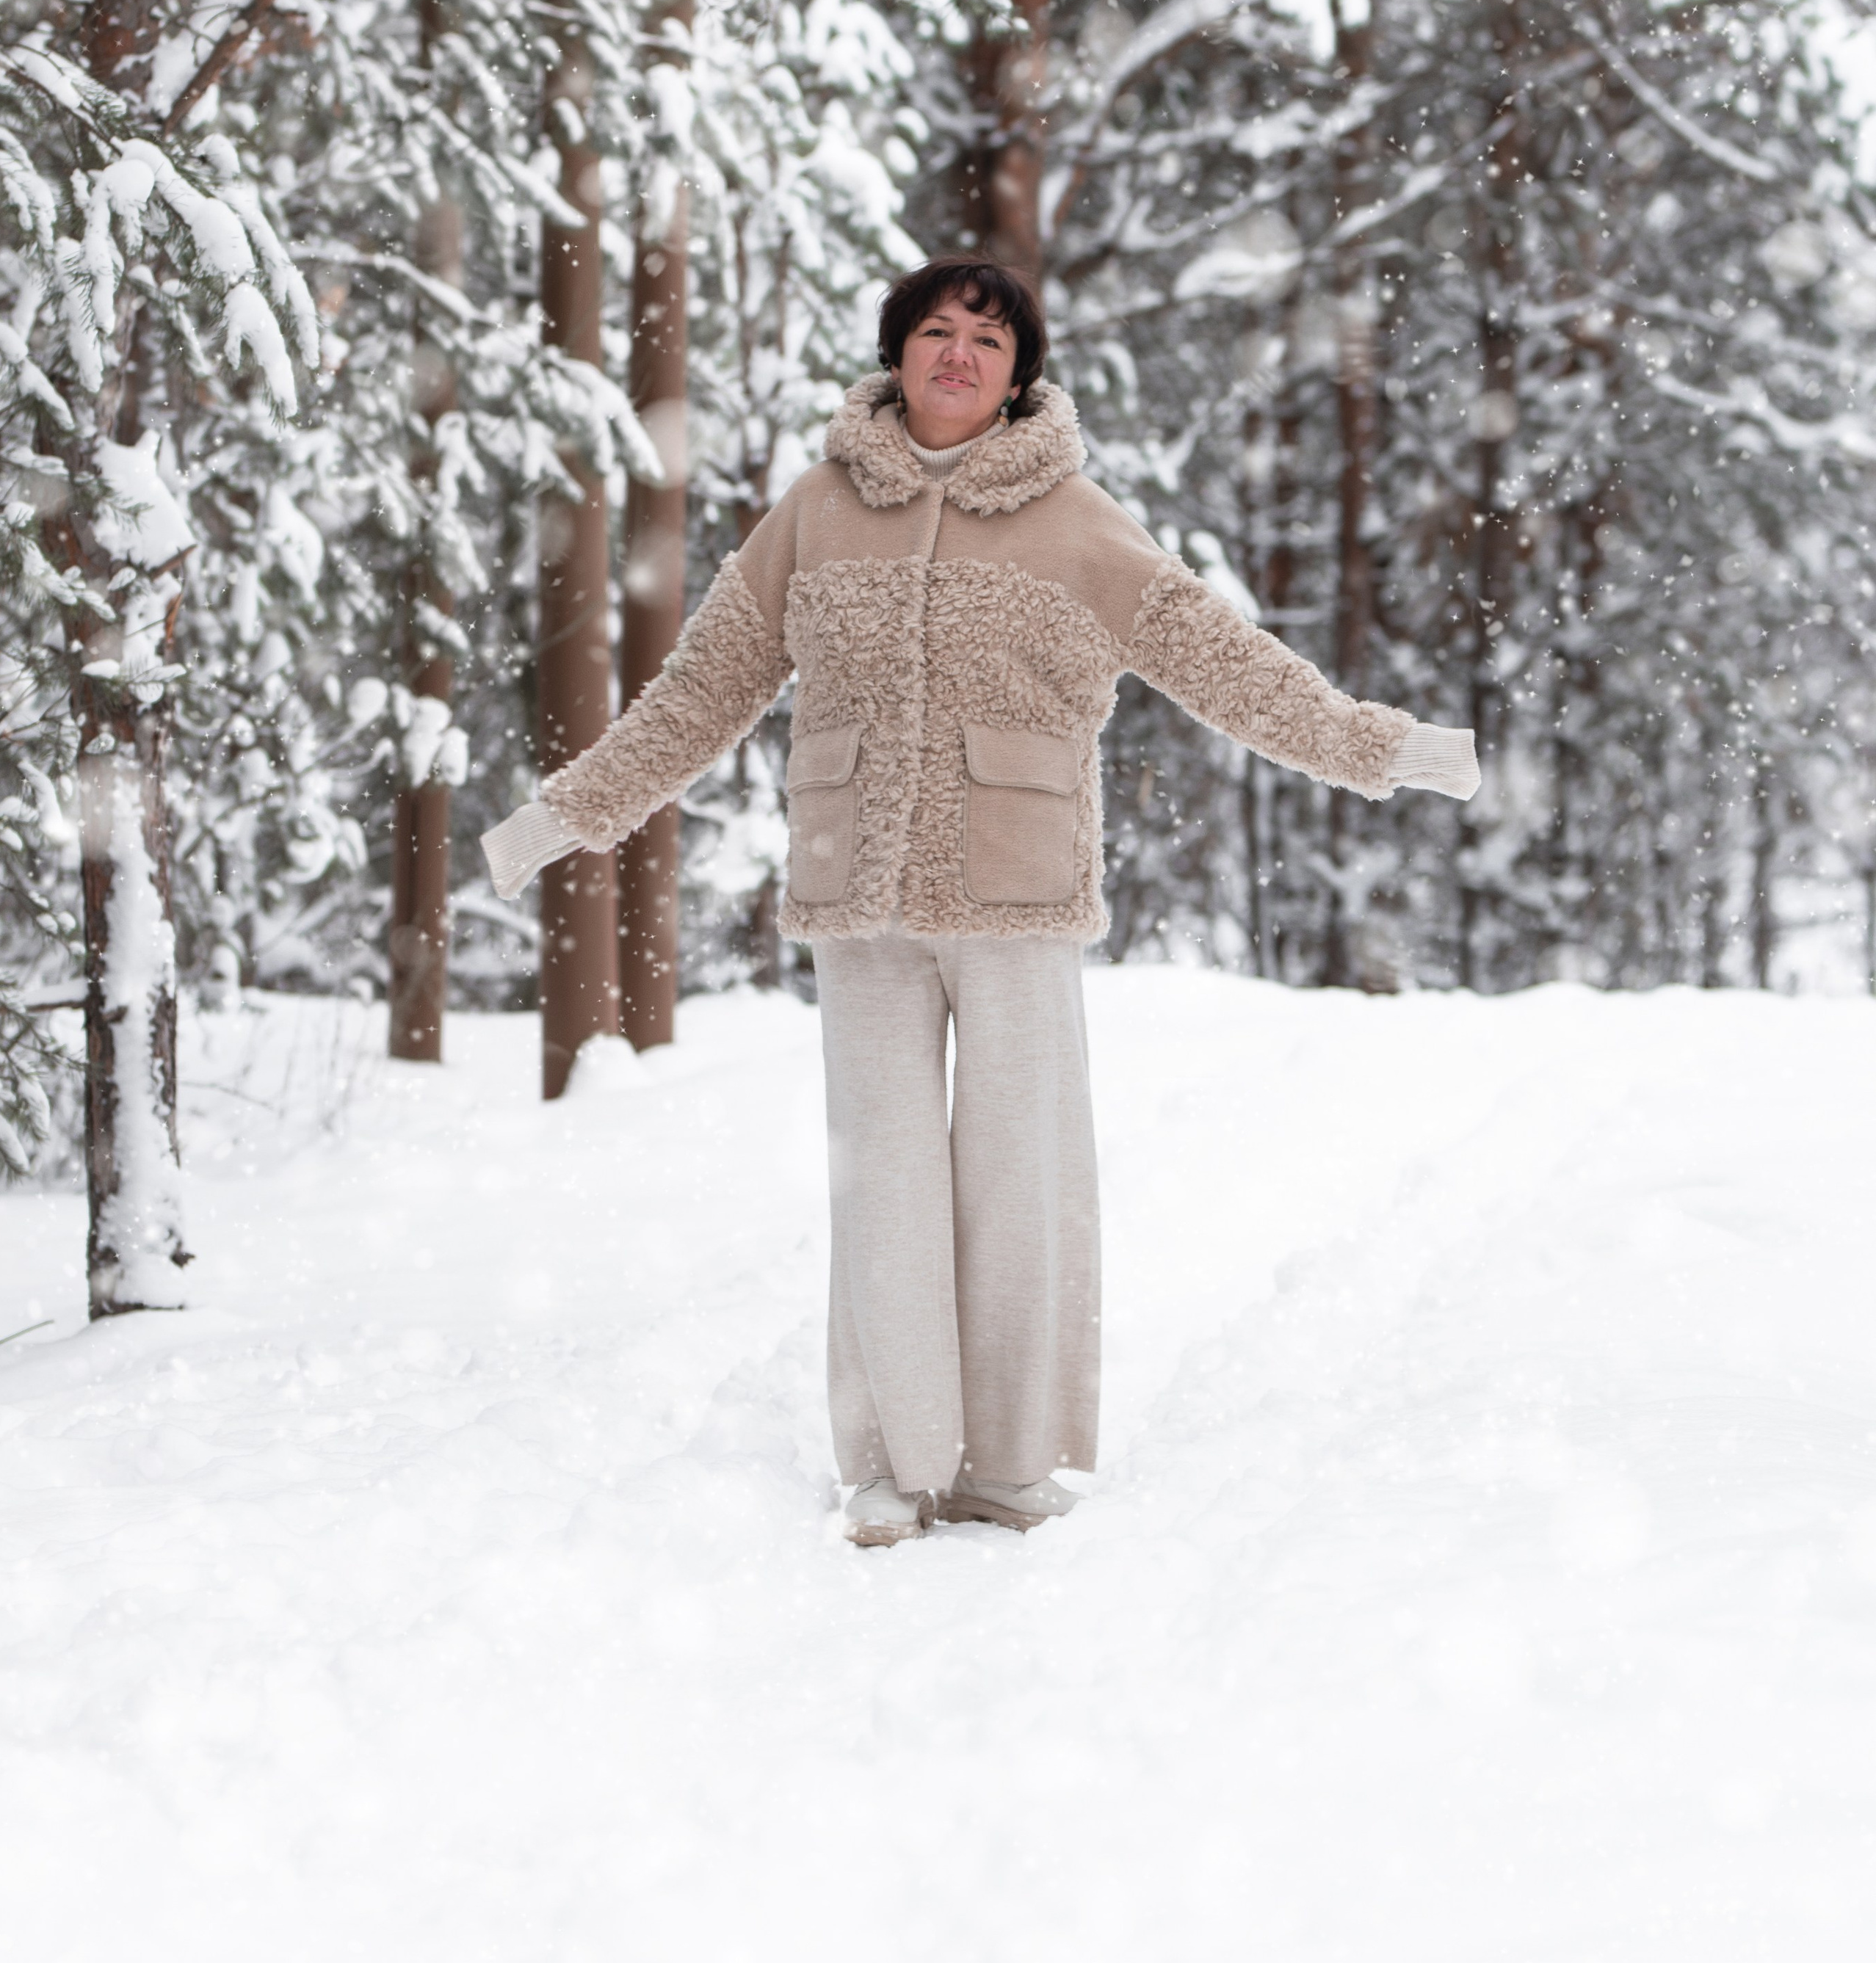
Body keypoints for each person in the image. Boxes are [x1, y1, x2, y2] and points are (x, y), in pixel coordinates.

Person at [482, 259, 1479, 1548]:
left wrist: (1380, 748)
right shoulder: (814, 516)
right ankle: (895, 1462)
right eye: (936, 334)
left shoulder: (1076, 521)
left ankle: (1010, 1466)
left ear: (1022, 375)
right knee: (882, 1182)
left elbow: (1222, 663)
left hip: (1018, 893)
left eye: (988, 342)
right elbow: (698, 696)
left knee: (1020, 1178)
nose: (958, 357)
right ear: (896, 355)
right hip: (859, 902)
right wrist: (562, 817)